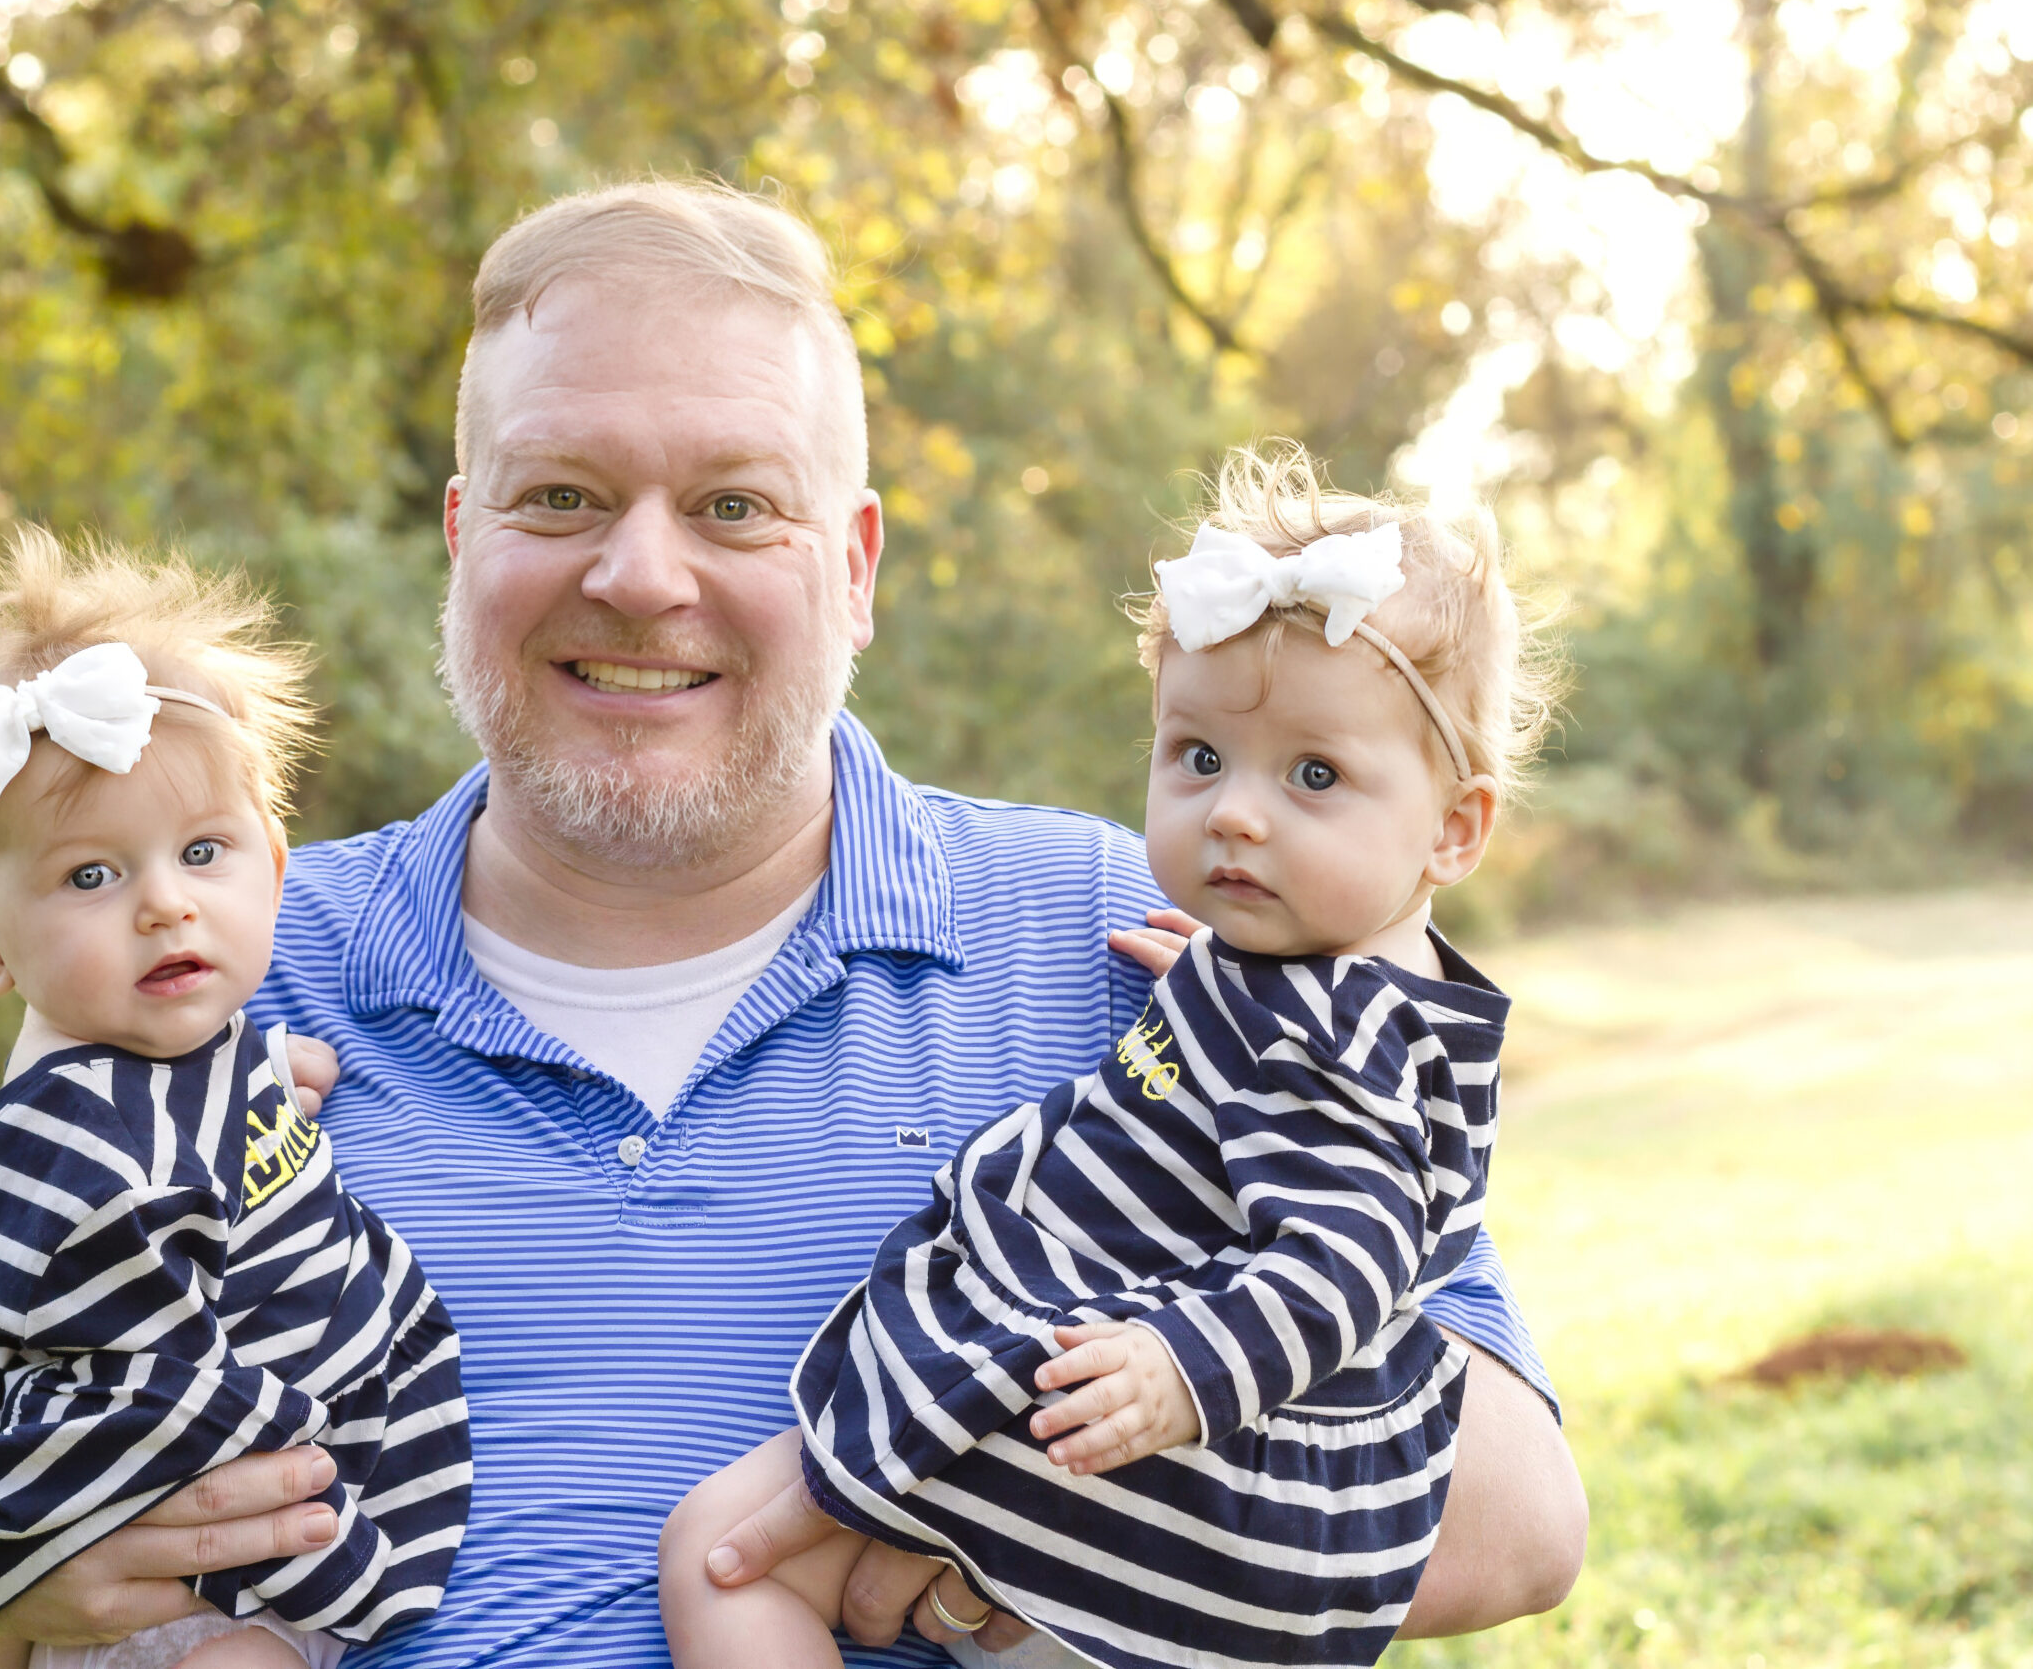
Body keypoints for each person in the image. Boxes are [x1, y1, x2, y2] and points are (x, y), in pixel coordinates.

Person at [0, 179, 1585, 1669]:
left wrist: (976, 1548)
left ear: (857, 568)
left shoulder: (1147, 946)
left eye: (733, 505)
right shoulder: (210, 964)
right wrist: (31, 1577)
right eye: (558, 497)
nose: (639, 574)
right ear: (463, 545)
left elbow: (1511, 1516)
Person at [661, 444, 1555, 1669]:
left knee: (719, 1555)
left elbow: (1347, 1258)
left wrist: (1178, 1369)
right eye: (1198, 757)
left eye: (1313, 775)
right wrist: (1223, 971)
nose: (1235, 811)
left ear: (1453, 829)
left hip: (1116, 1409)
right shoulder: (1300, 987)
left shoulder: (1335, 1044)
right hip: (1114, 1410)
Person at [0, 535, 470, 1669]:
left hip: (252, 1545)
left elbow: (203, 1152)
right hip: (170, 1555)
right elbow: (123, 1379)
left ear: (274, 866)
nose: (165, 906)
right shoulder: (59, 1141)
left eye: (201, 851)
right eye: (93, 874)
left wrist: (272, 1088)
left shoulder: (187, 1050)